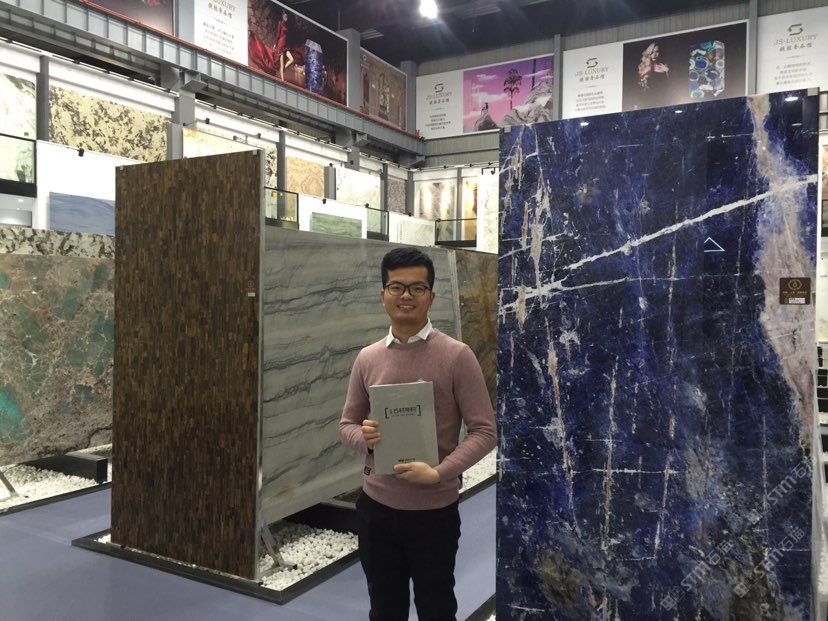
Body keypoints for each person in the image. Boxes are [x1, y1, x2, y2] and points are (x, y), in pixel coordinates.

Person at [339, 247, 497, 621]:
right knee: (384, 609)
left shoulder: (457, 356)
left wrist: (439, 473)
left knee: (436, 608)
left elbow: (485, 431)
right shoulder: (368, 358)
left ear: (431, 296)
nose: (406, 296)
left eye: (417, 288)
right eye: (396, 287)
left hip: (433, 513)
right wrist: (365, 439)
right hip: (376, 510)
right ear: (383, 295)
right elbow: (347, 424)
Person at [274, 11, 294, 81]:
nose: (286, 18)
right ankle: (282, 80)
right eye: (285, 17)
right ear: (282, 17)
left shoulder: (286, 25)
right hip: (280, 45)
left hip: (285, 45)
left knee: (292, 59)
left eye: (287, 17)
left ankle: (283, 69)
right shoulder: (280, 23)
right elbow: (278, 34)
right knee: (281, 64)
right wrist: (275, 44)